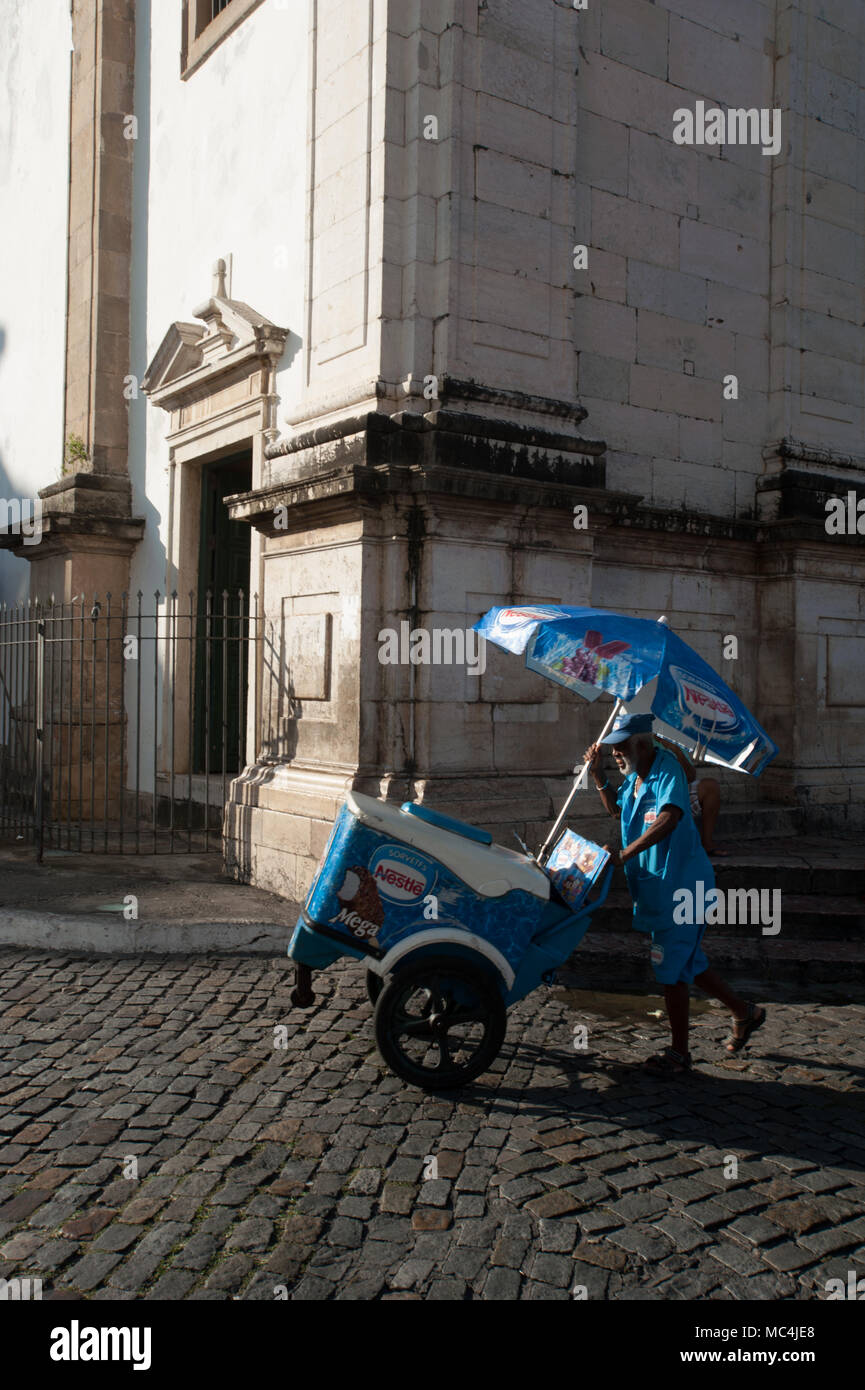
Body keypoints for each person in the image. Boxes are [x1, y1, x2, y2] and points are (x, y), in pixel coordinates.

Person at [583, 712, 765, 1074]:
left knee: (669, 968)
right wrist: (599, 775)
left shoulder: (668, 770)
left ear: (642, 743)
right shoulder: (635, 775)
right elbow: (618, 809)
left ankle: (679, 1054)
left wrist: (624, 855)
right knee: (688, 963)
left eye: (620, 747)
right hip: (658, 887)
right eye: (614, 748)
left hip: (684, 888)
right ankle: (745, 1012)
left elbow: (670, 817)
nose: (616, 753)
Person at [653, 734, 728, 856]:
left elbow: (691, 776)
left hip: (679, 789)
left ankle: (707, 843)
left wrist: (676, 750)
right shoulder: (643, 741)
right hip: (654, 793)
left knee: (710, 787)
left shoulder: (673, 738)